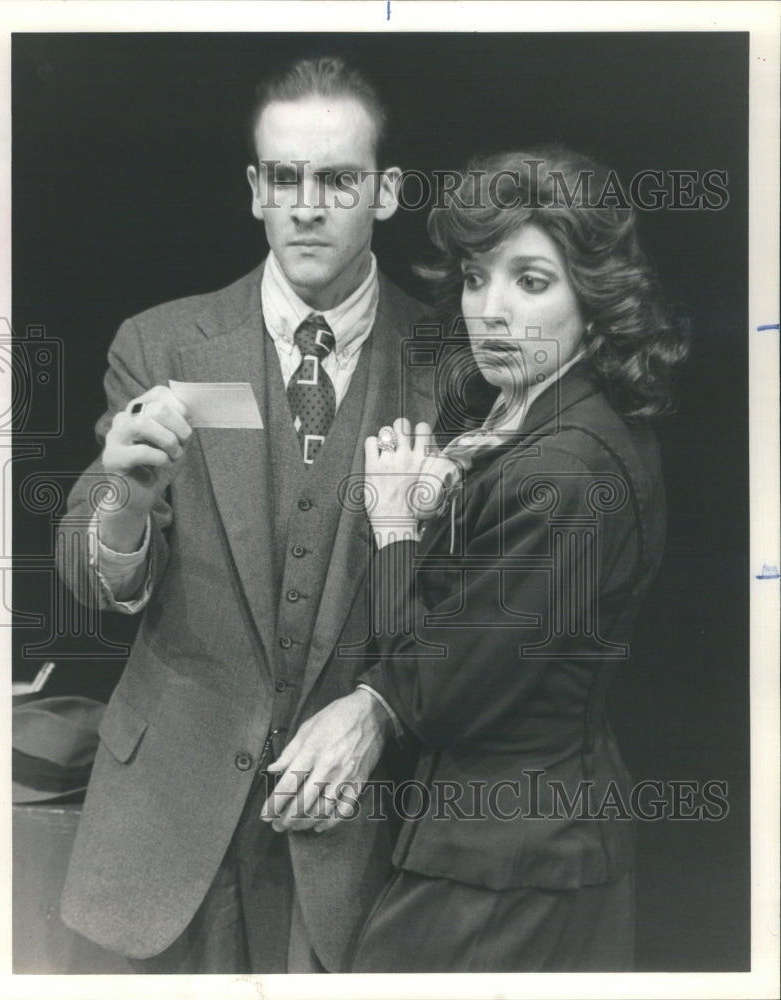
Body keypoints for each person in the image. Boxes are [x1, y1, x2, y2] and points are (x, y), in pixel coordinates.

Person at [57, 55, 434, 973]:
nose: (307, 204)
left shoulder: (450, 364)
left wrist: (380, 707)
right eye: (285, 178)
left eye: (338, 178)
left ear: (384, 192)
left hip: (356, 839)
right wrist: (125, 510)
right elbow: (82, 569)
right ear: (255, 190)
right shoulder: (162, 343)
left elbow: (480, 603)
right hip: (167, 829)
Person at [341, 148, 691, 971]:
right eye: (474, 277)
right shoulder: (542, 427)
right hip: (525, 847)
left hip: (504, 867)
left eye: (530, 281)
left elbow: (431, 700)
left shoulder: (563, 468)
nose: (491, 312)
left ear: (593, 299)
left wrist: (394, 529)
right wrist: (442, 513)